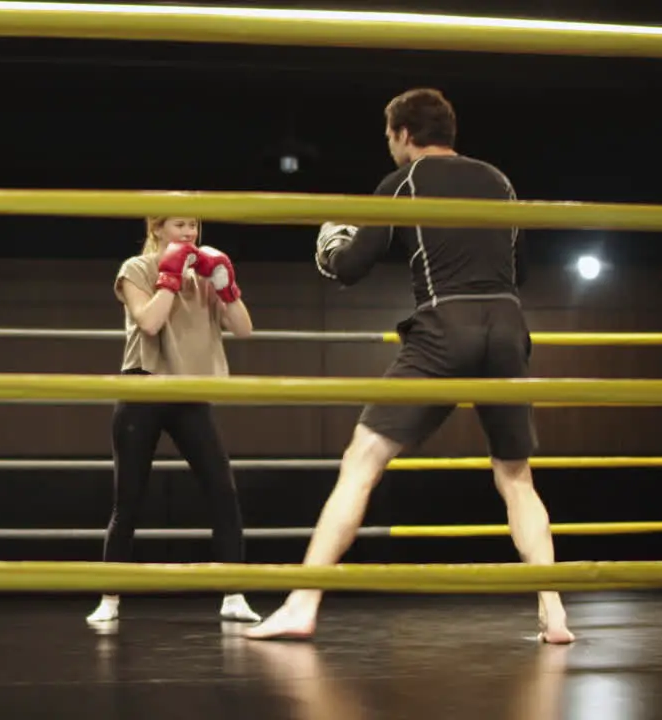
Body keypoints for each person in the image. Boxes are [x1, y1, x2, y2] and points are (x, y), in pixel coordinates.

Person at [244, 88, 575, 644]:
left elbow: (350, 267)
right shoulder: (500, 181)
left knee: (363, 458)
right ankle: (554, 613)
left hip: (446, 325)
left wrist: (330, 243)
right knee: (516, 475)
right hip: (508, 324)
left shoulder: (404, 182)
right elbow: (521, 270)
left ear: (402, 134)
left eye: (389, 137)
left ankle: (302, 604)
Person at [87, 216, 262, 624]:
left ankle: (234, 595)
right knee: (128, 500)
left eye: (194, 227)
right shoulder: (136, 268)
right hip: (143, 388)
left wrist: (226, 287)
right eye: (180, 225)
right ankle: (109, 598)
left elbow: (244, 329)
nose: (189, 233)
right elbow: (148, 322)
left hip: (188, 392)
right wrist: (169, 275)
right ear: (157, 229)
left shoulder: (206, 274)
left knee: (223, 492)